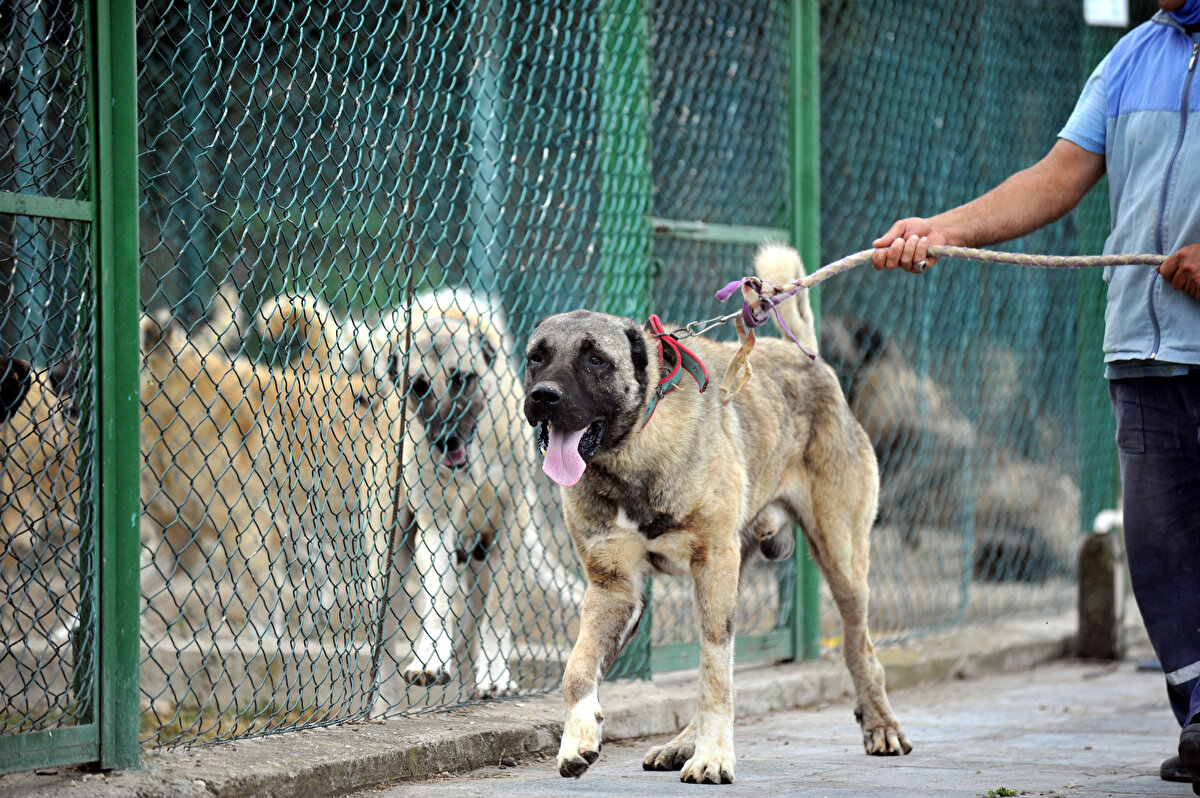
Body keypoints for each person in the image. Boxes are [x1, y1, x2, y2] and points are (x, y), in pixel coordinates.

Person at [871, 0, 1200, 789]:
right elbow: (1055, 177)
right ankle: (1199, 716)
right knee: (1158, 553)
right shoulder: (1130, 58)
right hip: (1143, 350)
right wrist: (943, 230)